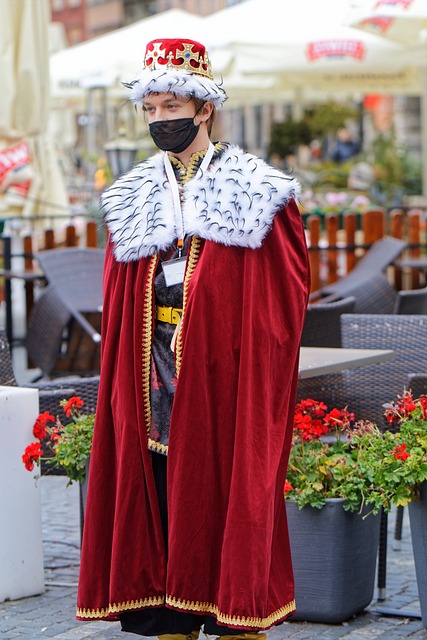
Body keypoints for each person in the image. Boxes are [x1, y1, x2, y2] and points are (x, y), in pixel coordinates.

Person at [76, 37, 310, 639]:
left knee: (223, 499)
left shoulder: (258, 192)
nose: (160, 120)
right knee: (159, 500)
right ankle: (171, 621)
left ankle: (236, 620)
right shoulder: (132, 197)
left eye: (172, 107)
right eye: (150, 109)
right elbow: (120, 298)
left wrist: (233, 342)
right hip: (150, 373)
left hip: (225, 379)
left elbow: (285, 300)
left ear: (204, 108)